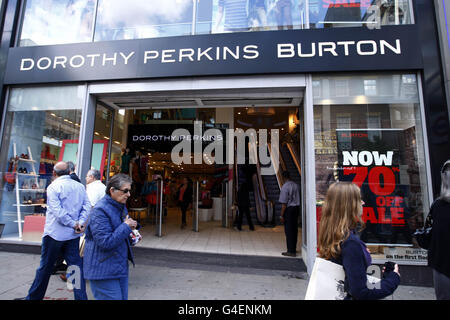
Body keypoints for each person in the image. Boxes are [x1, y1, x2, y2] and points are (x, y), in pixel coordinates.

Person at [18, 161, 90, 300]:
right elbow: (86, 206)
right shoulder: (80, 186)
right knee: (75, 268)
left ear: (54, 173)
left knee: (45, 268)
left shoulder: (53, 186)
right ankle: (81, 298)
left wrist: (73, 224)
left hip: (54, 235)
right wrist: (79, 223)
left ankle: (33, 297)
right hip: (72, 234)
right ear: (70, 172)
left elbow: (58, 212)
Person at [318, 182, 401, 300]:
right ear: (349, 206)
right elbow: (362, 292)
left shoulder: (334, 234)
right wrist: (393, 279)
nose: (363, 203)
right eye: (359, 199)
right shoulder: (350, 243)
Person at [83, 173, 138, 300]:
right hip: (103, 269)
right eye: (125, 191)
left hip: (118, 266)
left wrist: (132, 228)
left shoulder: (120, 206)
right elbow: (105, 242)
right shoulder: (100, 210)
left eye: (129, 191)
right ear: (112, 190)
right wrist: (125, 226)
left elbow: (120, 231)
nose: (128, 195)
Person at [427, 159, 450, 300]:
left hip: (441, 264)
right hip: (442, 264)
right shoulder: (438, 205)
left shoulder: (438, 206)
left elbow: (429, 232)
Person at [279, 171, 300, 257]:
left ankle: (290, 251)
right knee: (294, 230)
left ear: (283, 178)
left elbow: (284, 204)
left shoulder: (285, 187)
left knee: (289, 231)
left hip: (289, 210)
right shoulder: (296, 185)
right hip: (296, 209)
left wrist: (281, 215)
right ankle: (293, 248)